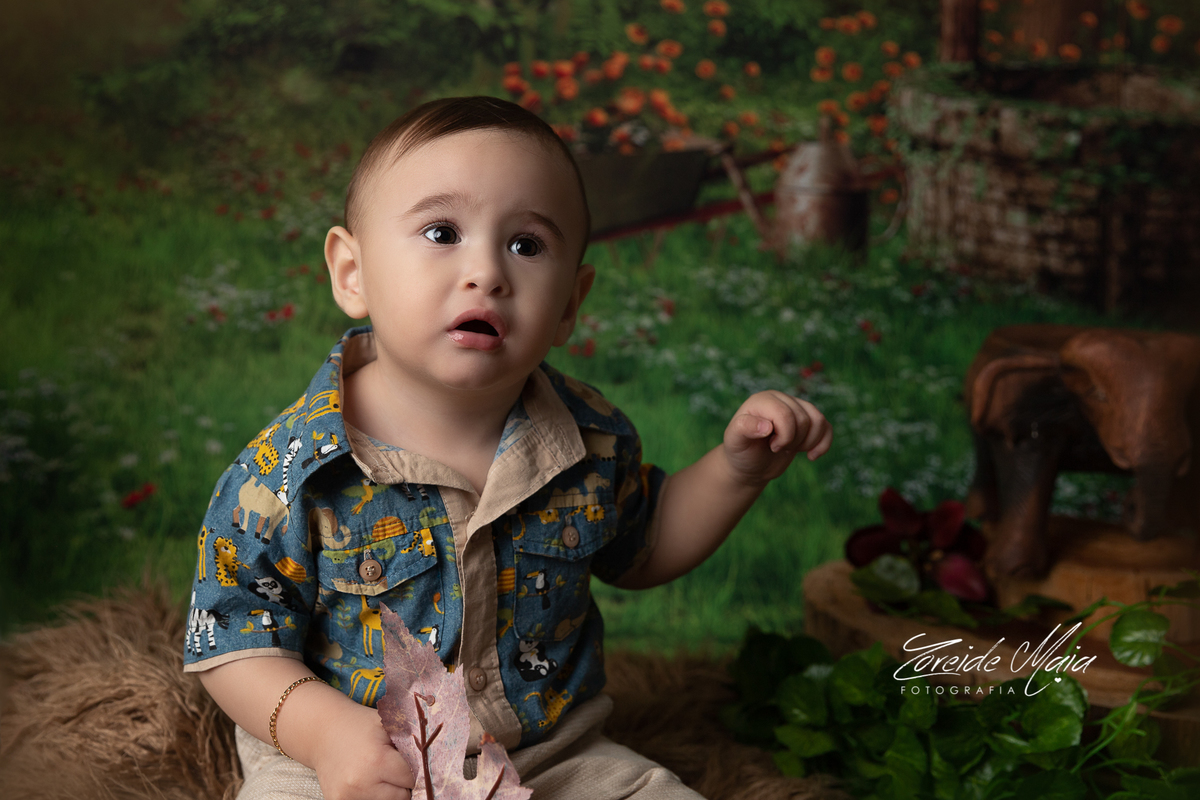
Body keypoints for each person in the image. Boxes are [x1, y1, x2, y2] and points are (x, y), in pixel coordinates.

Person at [185, 95, 832, 800]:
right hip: (347, 758)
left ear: (569, 303)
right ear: (352, 272)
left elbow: (644, 544)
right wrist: (324, 733)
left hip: (546, 753)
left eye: (526, 245)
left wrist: (736, 470)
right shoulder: (291, 469)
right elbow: (230, 640)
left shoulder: (589, 437)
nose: (488, 272)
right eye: (442, 232)